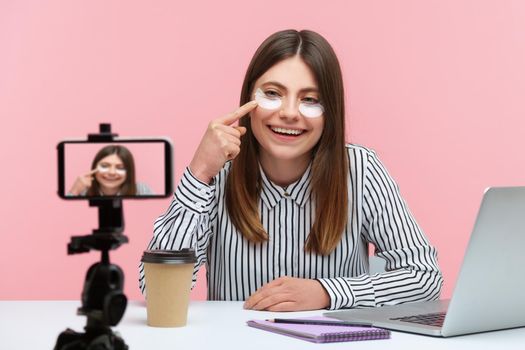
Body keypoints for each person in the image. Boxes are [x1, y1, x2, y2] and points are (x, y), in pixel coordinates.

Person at [139, 29, 443, 311]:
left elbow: (424, 276)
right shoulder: (218, 175)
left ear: (330, 112)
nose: (288, 113)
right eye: (272, 94)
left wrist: (327, 293)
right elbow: (156, 293)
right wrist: (200, 173)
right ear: (249, 98)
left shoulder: (360, 169)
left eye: (310, 100)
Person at [68, 145, 152, 196]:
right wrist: (74, 191)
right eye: (105, 166)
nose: (112, 172)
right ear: (94, 167)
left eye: (120, 168)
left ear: (128, 172)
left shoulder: (141, 189)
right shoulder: (83, 191)